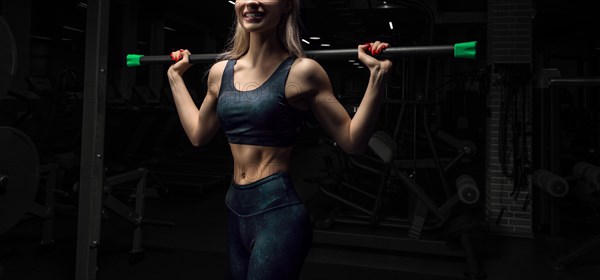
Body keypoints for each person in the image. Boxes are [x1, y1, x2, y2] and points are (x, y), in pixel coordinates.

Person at [166, 0, 392, 279]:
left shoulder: (302, 71)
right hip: (234, 208)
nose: (252, 2)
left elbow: (352, 142)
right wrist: (175, 79)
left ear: (286, 5)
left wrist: (377, 78)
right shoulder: (219, 72)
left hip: (278, 214)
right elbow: (198, 135)